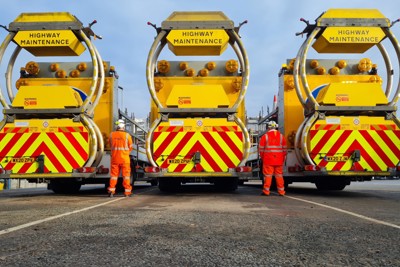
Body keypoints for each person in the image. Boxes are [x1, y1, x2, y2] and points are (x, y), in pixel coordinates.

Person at [258, 120, 287, 196]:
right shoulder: (281, 136)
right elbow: (284, 150)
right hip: (279, 160)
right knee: (279, 176)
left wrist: (263, 158)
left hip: (268, 160)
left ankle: (266, 191)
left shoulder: (265, 137)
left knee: (268, 176)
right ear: (276, 127)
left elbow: (261, 150)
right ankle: (281, 192)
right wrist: (282, 159)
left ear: (268, 128)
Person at [107, 119, 133, 197]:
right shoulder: (127, 136)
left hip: (115, 158)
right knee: (126, 176)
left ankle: (111, 191)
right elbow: (130, 147)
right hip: (125, 159)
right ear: (123, 127)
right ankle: (127, 192)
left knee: (114, 176)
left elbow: (110, 145)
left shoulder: (111, 135)